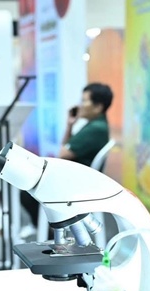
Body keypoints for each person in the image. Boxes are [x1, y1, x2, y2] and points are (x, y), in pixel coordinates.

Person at [21, 83, 113, 227]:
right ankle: (47, 230)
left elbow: (62, 153)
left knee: (28, 192)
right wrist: (70, 125)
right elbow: (66, 148)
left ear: (98, 107)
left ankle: (47, 231)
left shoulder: (95, 129)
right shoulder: (96, 125)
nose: (79, 105)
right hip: (77, 178)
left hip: (76, 183)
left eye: (84, 101)